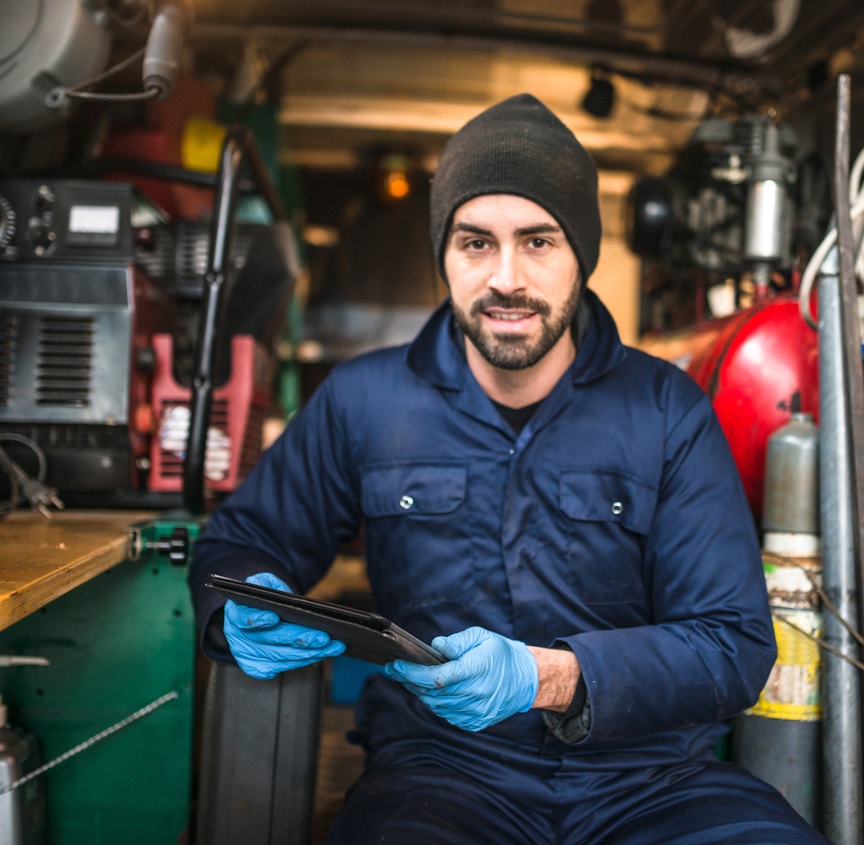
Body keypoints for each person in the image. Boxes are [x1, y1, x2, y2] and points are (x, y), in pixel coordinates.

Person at [189, 93, 829, 844]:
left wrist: (552, 677)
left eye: (538, 241)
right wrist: (238, 610)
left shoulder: (667, 411)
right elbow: (239, 542)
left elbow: (734, 643)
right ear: (444, 255)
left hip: (652, 783)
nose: (506, 278)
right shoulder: (364, 400)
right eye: (475, 243)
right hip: (439, 778)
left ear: (582, 256)